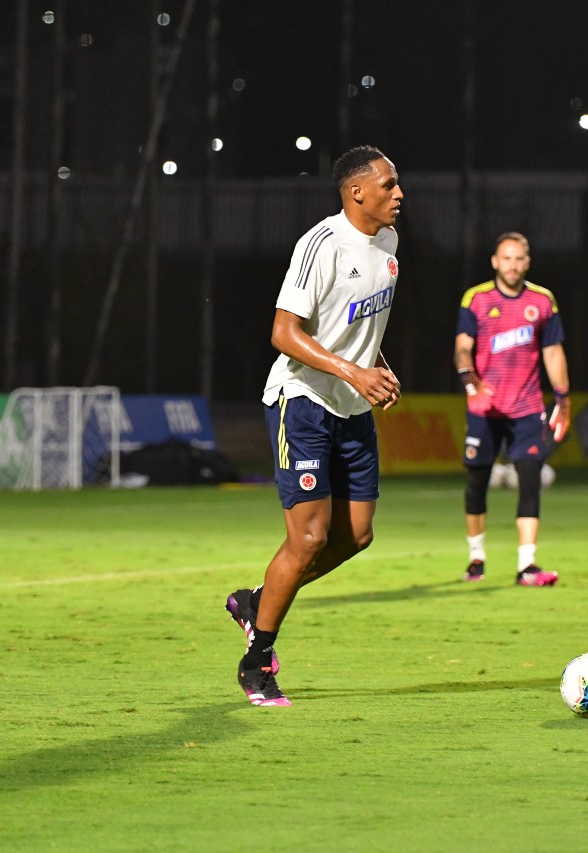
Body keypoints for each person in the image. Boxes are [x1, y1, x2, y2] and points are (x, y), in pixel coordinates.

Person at [224, 145, 404, 707]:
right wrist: (353, 370)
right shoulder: (320, 244)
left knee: (357, 536)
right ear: (356, 192)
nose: (399, 194)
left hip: (351, 408)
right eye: (388, 184)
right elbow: (283, 332)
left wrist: (378, 365)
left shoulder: (390, 245)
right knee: (307, 539)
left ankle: (257, 600)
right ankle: (258, 662)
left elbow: (357, 326)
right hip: (302, 403)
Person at [454, 231, 571, 587]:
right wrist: (470, 380)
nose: (513, 265)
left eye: (519, 258)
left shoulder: (543, 301)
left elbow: (552, 352)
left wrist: (563, 398)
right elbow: (463, 347)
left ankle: (527, 566)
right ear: (495, 261)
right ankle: (477, 558)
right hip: (485, 408)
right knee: (477, 482)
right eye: (506, 258)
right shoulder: (476, 299)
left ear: (528, 262)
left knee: (530, 481)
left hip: (527, 407)